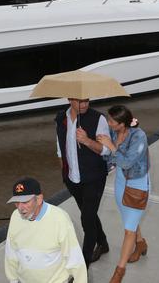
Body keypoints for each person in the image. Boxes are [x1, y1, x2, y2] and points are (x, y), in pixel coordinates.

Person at [96, 105, 150, 283]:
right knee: (129, 219)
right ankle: (140, 243)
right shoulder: (114, 133)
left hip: (137, 184)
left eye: (111, 121)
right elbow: (110, 159)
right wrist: (102, 146)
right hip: (120, 182)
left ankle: (119, 272)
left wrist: (111, 146)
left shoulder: (139, 136)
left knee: (128, 231)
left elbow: (126, 163)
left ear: (122, 123)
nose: (108, 123)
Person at [55, 97, 110, 267]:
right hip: (72, 179)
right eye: (80, 101)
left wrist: (86, 140)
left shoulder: (98, 119)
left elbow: (106, 150)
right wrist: (64, 172)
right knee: (89, 214)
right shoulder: (61, 118)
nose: (85, 105)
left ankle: (82, 266)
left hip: (94, 178)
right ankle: (103, 243)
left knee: (86, 219)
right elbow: (59, 146)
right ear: (69, 99)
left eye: (87, 100)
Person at [4, 177, 87, 283]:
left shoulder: (59, 218)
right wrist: (13, 279)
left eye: (25, 202)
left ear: (39, 199)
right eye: (17, 202)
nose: (20, 208)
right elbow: (11, 252)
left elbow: (75, 259)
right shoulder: (15, 217)